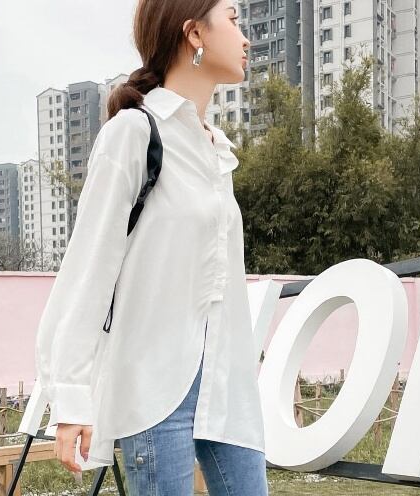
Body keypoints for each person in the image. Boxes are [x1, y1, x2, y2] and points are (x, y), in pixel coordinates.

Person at [35, 0, 269, 494]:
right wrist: (71, 394)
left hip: (227, 384)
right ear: (195, 34)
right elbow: (89, 267)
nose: (246, 37)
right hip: (156, 387)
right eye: (233, 19)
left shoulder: (216, 148)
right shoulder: (134, 133)